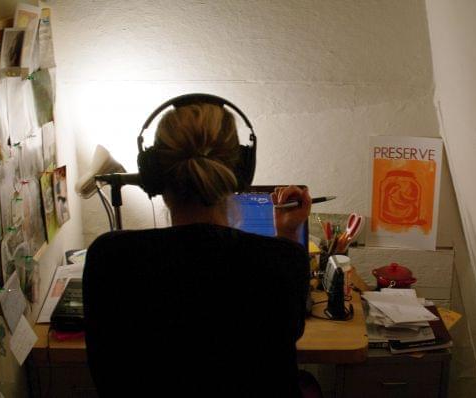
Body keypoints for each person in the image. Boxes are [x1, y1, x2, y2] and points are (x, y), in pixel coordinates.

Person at [83, 102, 315, 397]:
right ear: (241, 170)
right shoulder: (281, 260)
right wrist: (288, 232)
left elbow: (105, 372)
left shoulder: (110, 258)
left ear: (153, 173)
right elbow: (286, 331)